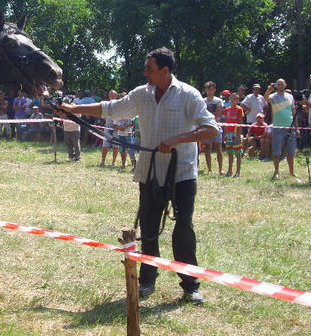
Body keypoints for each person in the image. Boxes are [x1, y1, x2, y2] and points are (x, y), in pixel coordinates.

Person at [57, 47, 217, 304]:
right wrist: (73, 110)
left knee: (183, 228)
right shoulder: (141, 94)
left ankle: (190, 285)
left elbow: (211, 128)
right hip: (150, 171)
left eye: (150, 69)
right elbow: (112, 108)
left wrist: (178, 139)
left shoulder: (189, 94)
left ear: (166, 71)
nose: (145, 72)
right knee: (149, 229)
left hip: (182, 173)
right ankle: (147, 282)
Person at [265, 79, 299, 180]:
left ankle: (292, 172)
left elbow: (293, 112)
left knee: (291, 152)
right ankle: (276, 172)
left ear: (285, 85)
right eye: (278, 84)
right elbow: (266, 98)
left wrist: (296, 128)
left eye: (281, 84)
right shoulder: (273, 96)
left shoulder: (290, 96)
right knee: (276, 151)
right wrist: (268, 90)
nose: (280, 86)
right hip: (278, 127)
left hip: (290, 127)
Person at [201, 81, 224, 175]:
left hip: (217, 126)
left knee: (218, 147)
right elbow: (202, 113)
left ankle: (220, 169)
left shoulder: (218, 101)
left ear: (214, 90)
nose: (209, 91)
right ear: (205, 90)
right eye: (207, 90)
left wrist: (208, 115)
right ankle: (209, 169)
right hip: (206, 126)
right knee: (207, 148)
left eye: (211, 90)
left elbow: (218, 113)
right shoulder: (203, 101)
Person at [223, 93, 244, 177]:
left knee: (237, 153)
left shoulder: (239, 109)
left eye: (235, 99)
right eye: (232, 98)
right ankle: (229, 170)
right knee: (230, 152)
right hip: (228, 133)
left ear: (238, 100)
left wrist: (239, 134)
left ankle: (238, 172)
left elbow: (240, 122)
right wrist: (225, 133)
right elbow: (225, 122)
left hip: (235, 133)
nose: (233, 100)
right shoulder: (227, 109)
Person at [100, 90, 120, 166]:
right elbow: (103, 115)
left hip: (117, 128)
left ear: (116, 95)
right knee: (105, 145)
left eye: (113, 95)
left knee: (116, 146)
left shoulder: (119, 104)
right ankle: (103, 161)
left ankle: (114, 162)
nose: (111, 96)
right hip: (108, 127)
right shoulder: (107, 104)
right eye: (110, 95)